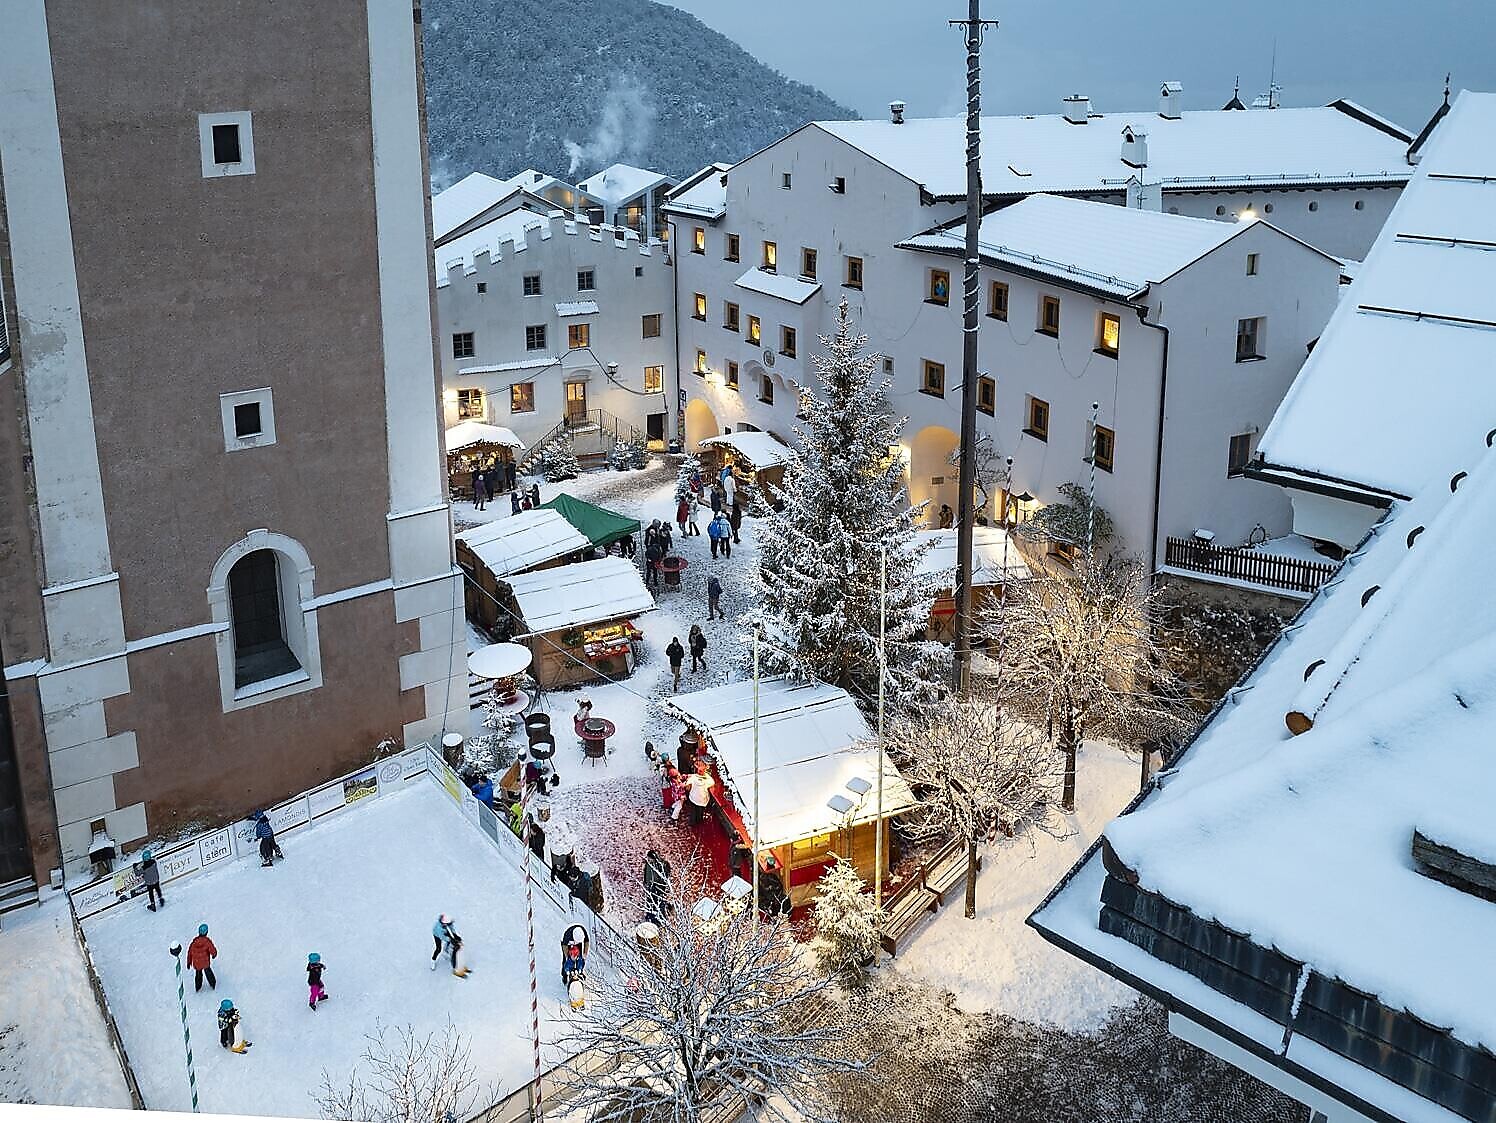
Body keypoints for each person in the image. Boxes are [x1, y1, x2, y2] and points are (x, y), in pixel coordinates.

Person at [642, 849, 672, 922]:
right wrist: (645, 883)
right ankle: (650, 916)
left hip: (658, 888)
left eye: (649, 858)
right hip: (651, 887)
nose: (648, 859)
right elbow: (646, 874)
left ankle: (659, 919)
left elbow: (665, 877)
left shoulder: (662, 865)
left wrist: (661, 886)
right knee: (650, 901)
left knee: (658, 902)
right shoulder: (648, 864)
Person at [683, 760, 715, 827]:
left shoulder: (708, 779)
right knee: (694, 813)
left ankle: (696, 823)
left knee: (697, 813)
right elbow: (687, 787)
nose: (700, 770)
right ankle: (694, 823)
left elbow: (687, 787)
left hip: (701, 800)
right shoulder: (694, 777)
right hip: (696, 799)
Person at [188, 924, 218, 991]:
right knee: (208, 973)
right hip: (205, 963)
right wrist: (214, 954)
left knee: (198, 975)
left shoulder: (194, 942)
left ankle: (198, 987)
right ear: (206, 932)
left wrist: (189, 962)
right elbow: (212, 949)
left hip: (197, 963)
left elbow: (189, 952)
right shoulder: (207, 941)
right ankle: (213, 984)